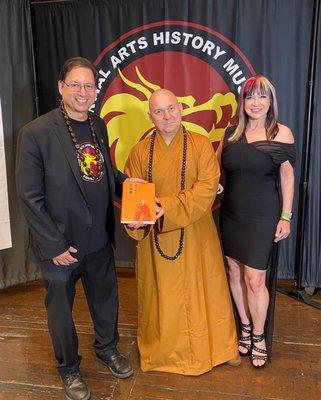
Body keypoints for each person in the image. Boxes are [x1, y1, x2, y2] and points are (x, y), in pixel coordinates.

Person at [16, 57, 139, 400]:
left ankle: (107, 349)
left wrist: (132, 187)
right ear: (61, 87)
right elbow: (29, 197)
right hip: (60, 248)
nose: (83, 92)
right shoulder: (36, 133)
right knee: (61, 314)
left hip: (98, 239)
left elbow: (104, 173)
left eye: (89, 86)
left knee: (105, 302)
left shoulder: (98, 125)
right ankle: (68, 369)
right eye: (76, 85)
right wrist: (54, 245)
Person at [124, 88, 239, 375]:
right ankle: (163, 353)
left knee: (207, 289)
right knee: (162, 296)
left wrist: (167, 205)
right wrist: (135, 218)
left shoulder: (200, 145)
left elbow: (207, 187)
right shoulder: (139, 151)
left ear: (181, 109)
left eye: (171, 109)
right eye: (159, 112)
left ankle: (220, 349)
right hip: (157, 237)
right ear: (150, 116)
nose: (167, 116)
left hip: (197, 232)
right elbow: (133, 190)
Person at [217, 75, 295, 368]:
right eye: (250, 97)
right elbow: (216, 173)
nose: (256, 103)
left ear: (271, 101)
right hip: (231, 214)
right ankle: (245, 325)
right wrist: (213, 187)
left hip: (263, 215)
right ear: (242, 102)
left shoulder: (280, 133)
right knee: (234, 273)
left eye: (262, 97)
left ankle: (259, 335)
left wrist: (286, 216)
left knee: (255, 279)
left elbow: (287, 176)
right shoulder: (230, 134)